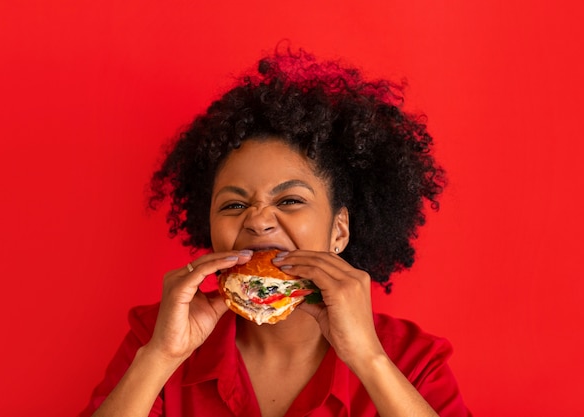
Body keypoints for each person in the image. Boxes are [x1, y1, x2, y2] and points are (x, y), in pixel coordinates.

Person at [80, 47, 472, 417]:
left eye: (289, 201)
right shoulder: (158, 334)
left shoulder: (413, 359)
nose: (257, 220)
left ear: (339, 231)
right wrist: (162, 356)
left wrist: (368, 359)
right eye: (233, 205)